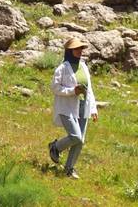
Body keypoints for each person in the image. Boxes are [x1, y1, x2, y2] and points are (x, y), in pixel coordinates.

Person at [48, 36, 99, 179]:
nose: (80, 51)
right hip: (67, 107)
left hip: (83, 106)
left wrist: (94, 109)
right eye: (76, 49)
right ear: (69, 51)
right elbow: (55, 87)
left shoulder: (83, 66)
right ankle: (55, 147)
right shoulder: (62, 68)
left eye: (81, 48)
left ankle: (69, 168)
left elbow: (89, 89)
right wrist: (72, 91)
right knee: (75, 136)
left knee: (80, 140)